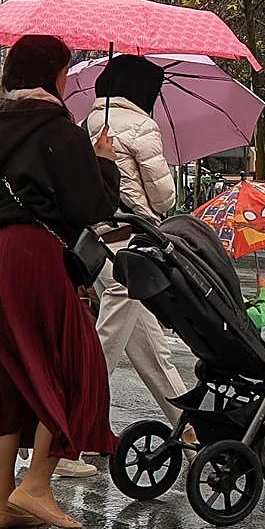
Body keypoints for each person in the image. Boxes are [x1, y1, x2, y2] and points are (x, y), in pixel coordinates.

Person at [0, 34, 120, 529]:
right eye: (65, 71)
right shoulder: (57, 129)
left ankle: (2, 504)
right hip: (32, 256)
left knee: (12, 378)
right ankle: (35, 487)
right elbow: (92, 208)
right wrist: (103, 162)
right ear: (52, 74)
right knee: (77, 368)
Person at [80, 55, 193, 467]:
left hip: (99, 245)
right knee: (102, 351)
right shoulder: (142, 127)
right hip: (133, 248)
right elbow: (163, 199)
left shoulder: (88, 123)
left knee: (151, 349)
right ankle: (64, 435)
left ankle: (187, 426)